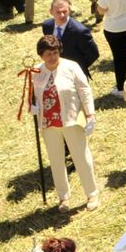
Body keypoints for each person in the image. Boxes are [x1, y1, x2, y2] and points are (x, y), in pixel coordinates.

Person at [29, 35, 100, 212]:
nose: (52, 57)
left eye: (55, 53)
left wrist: (90, 113)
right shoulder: (36, 72)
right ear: (41, 55)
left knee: (81, 157)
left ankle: (92, 193)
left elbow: (84, 90)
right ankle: (64, 197)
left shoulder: (71, 66)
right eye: (48, 54)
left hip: (71, 119)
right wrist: (33, 106)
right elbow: (31, 95)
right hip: (49, 122)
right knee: (56, 160)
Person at [41, 0, 99, 78]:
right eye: (58, 12)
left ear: (69, 10)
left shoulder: (80, 31)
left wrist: (78, 67)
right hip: (54, 72)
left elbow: (93, 54)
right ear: (51, 12)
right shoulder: (47, 26)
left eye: (65, 11)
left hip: (74, 75)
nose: (62, 15)